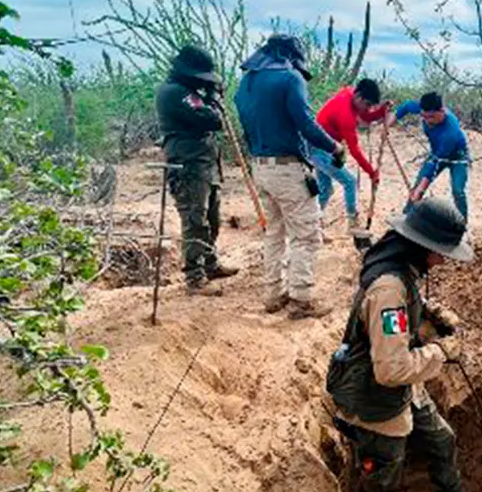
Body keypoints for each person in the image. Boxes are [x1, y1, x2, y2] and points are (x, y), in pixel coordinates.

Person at [325, 197, 482, 492]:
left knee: (441, 440)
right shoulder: (388, 291)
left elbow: (403, 302)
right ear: (421, 246)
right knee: (383, 479)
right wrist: (442, 351)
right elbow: (392, 370)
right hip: (375, 398)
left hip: (400, 389)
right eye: (441, 252)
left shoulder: (399, 268)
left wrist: (429, 311)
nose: (444, 260)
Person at [235, 34, 346, 319]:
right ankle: (300, 300)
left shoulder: (246, 81)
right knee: (306, 236)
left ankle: (273, 296)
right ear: (291, 55)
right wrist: (334, 146)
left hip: (259, 166)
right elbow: (306, 124)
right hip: (287, 168)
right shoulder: (290, 78)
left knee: (274, 233)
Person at [155, 45, 238, 295]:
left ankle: (210, 264)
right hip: (188, 165)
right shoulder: (174, 93)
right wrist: (213, 99)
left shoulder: (190, 91)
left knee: (212, 218)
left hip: (205, 163)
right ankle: (194, 276)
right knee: (194, 220)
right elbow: (213, 120)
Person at [314, 79, 391, 233]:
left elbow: (367, 116)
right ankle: (352, 223)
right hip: (318, 148)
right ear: (360, 97)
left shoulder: (350, 95)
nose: (368, 108)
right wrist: (371, 172)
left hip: (327, 147)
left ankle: (312, 225)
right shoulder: (345, 114)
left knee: (326, 189)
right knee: (350, 182)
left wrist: (382, 110)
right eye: (368, 104)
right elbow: (354, 150)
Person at [389, 92, 470, 222]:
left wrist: (420, 190)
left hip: (457, 157)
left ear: (442, 111)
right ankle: (406, 217)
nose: (427, 121)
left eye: (431, 117)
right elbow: (406, 106)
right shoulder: (423, 108)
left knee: (458, 190)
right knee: (416, 186)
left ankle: (462, 224)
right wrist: (389, 124)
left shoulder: (450, 132)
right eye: (424, 117)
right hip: (436, 153)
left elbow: (434, 164)